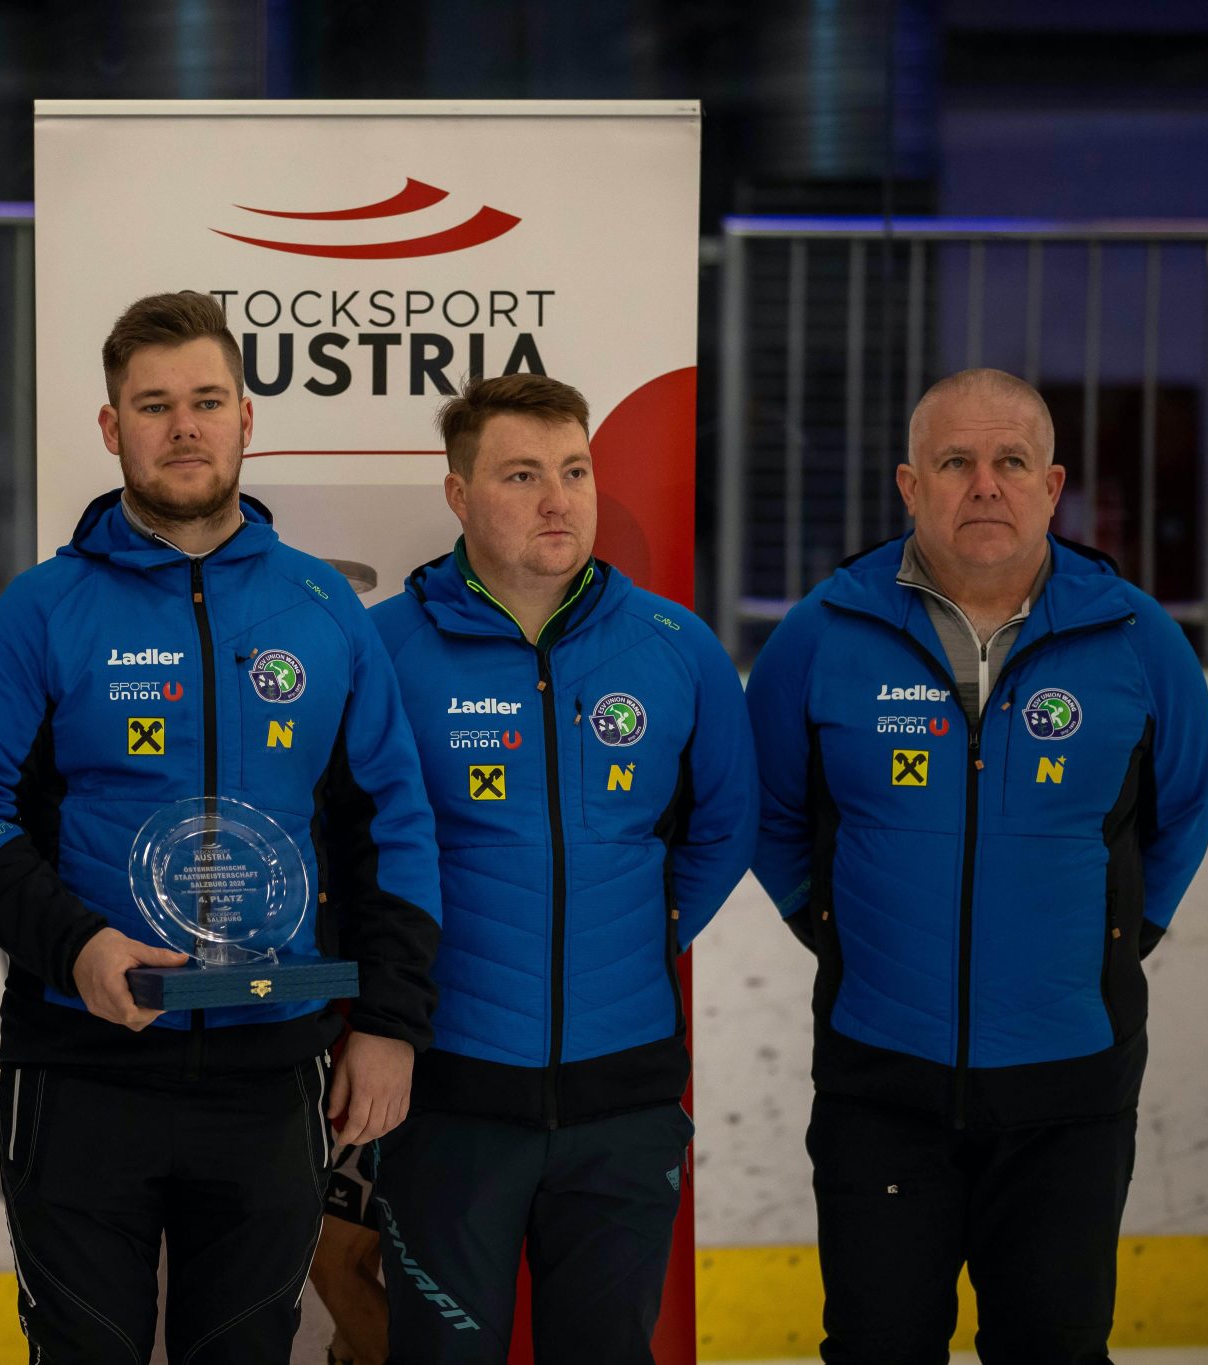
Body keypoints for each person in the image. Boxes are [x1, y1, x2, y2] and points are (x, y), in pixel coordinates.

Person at [0, 290, 443, 1364]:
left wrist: (388, 1022)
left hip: (269, 1066)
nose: (183, 426)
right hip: (83, 1068)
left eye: (206, 400)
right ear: (112, 429)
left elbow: (386, 821)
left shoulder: (320, 608)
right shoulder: (43, 608)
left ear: (246, 418)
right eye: (153, 406)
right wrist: (76, 944)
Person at [746, 368, 1208, 1364]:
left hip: (1069, 1088)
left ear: (1051, 486)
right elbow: (767, 810)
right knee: (874, 1347)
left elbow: (1178, 813)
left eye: (1008, 463)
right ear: (908, 486)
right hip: (880, 1082)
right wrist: (827, 925)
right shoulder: (820, 635)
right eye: (953, 463)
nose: (982, 485)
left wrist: (1121, 938)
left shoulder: (1137, 640)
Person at [365, 373, 755, 1361]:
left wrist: (637, 934)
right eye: (521, 474)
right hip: (448, 1103)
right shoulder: (383, 650)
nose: (556, 499)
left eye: (574, 471)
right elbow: (349, 848)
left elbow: (724, 827)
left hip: (623, 1105)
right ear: (457, 495)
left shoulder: (676, 647)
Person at [309, 1140, 389, 1365]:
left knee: (332, 1259)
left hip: (405, 1124)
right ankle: (348, 1353)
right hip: (395, 1129)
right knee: (348, 1259)